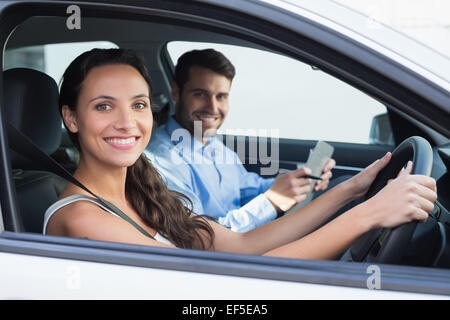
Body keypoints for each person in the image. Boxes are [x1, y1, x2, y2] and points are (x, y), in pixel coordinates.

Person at [44, 48, 437, 261]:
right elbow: (218, 286)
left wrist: (351, 190)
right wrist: (369, 214)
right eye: (103, 106)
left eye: (139, 105)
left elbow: (244, 247)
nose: (127, 122)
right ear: (71, 118)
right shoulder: (82, 217)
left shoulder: (142, 191)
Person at [147, 49, 336, 232]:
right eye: (200, 94)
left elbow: (246, 188)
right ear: (176, 93)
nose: (212, 107)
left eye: (221, 96)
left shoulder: (212, 143)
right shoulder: (163, 161)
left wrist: (299, 179)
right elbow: (200, 236)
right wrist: (272, 201)